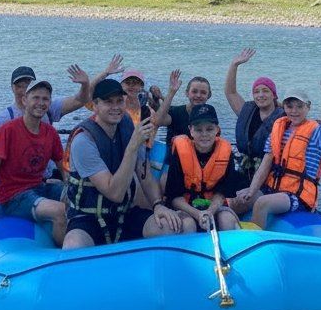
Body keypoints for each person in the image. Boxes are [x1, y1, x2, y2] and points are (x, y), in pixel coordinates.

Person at [63, 78, 184, 248]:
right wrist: (132, 147)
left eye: (119, 101)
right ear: (95, 105)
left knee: (176, 226)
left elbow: (145, 175)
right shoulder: (84, 140)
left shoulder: (127, 127)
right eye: (108, 102)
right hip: (88, 218)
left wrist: (158, 205)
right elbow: (115, 193)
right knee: (73, 245)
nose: (116, 107)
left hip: (124, 214)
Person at [234, 76, 321, 229]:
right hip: (273, 189)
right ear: (284, 107)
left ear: (308, 107)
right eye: (289, 106)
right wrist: (252, 190)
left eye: (299, 106)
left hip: (297, 195)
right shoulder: (278, 130)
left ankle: (253, 239)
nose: (294, 111)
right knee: (238, 201)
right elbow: (265, 166)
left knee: (262, 203)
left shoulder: (317, 132)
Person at [0, 55, 124, 171]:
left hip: (48, 174)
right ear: (12, 88)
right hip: (20, 181)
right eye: (19, 86)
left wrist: (99, 76)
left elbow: (79, 100)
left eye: (28, 85)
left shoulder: (47, 107)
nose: (23, 89)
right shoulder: (6, 118)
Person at [0, 79, 68, 246]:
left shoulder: (50, 132)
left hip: (38, 187)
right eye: (35, 98)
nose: (41, 103)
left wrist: (70, 188)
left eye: (45, 99)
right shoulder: (7, 131)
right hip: (12, 197)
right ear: (24, 100)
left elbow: (63, 167)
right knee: (59, 211)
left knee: (79, 199)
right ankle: (67, 255)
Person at [165, 104, 242, 232]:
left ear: (217, 129)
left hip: (213, 206)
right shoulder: (180, 153)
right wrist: (197, 214)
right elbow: (173, 197)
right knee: (188, 224)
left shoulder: (226, 152)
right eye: (199, 130)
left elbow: (222, 192)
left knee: (226, 219)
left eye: (209, 129)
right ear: (190, 130)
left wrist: (210, 212)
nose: (204, 134)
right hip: (186, 207)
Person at [223, 47, 284, 202]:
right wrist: (234, 65)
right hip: (244, 171)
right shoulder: (247, 111)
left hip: (270, 175)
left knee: (237, 202)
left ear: (274, 95)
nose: (260, 95)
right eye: (256, 92)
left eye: (265, 91)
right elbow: (230, 92)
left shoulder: (284, 117)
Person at [156, 75, 214, 168]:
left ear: (209, 95)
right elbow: (158, 121)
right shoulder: (175, 112)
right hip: (174, 164)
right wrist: (171, 92)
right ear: (187, 93)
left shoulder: (210, 116)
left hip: (200, 165)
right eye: (194, 91)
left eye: (203, 92)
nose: (198, 95)